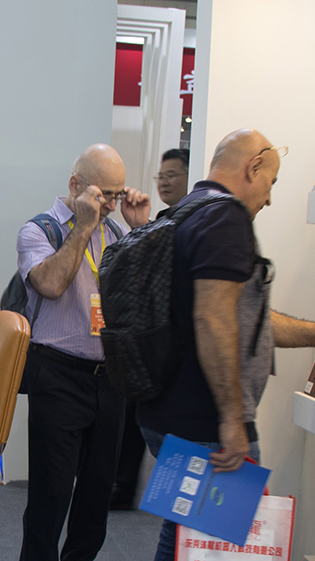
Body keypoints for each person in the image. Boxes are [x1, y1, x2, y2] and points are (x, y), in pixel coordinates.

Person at [135, 128, 315, 561]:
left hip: (166, 413)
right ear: (253, 166)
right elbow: (213, 320)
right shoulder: (226, 218)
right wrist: (232, 421)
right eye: (271, 183)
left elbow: (248, 321)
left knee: (185, 538)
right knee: (217, 549)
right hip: (207, 424)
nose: (270, 199)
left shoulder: (183, 212)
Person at [16, 143, 151, 561]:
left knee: (95, 501)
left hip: (109, 381)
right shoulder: (39, 231)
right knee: (51, 496)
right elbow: (51, 284)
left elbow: (144, 300)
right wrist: (84, 226)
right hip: (58, 375)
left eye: (117, 194)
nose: (110, 204)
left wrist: (141, 229)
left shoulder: (118, 233)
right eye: (103, 194)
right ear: (76, 184)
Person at [110, 147, 191, 511]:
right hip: (149, 343)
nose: (164, 182)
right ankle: (123, 486)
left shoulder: (194, 225)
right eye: (161, 175)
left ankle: (128, 487)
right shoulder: (162, 222)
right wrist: (140, 226)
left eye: (172, 175)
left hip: (173, 350)